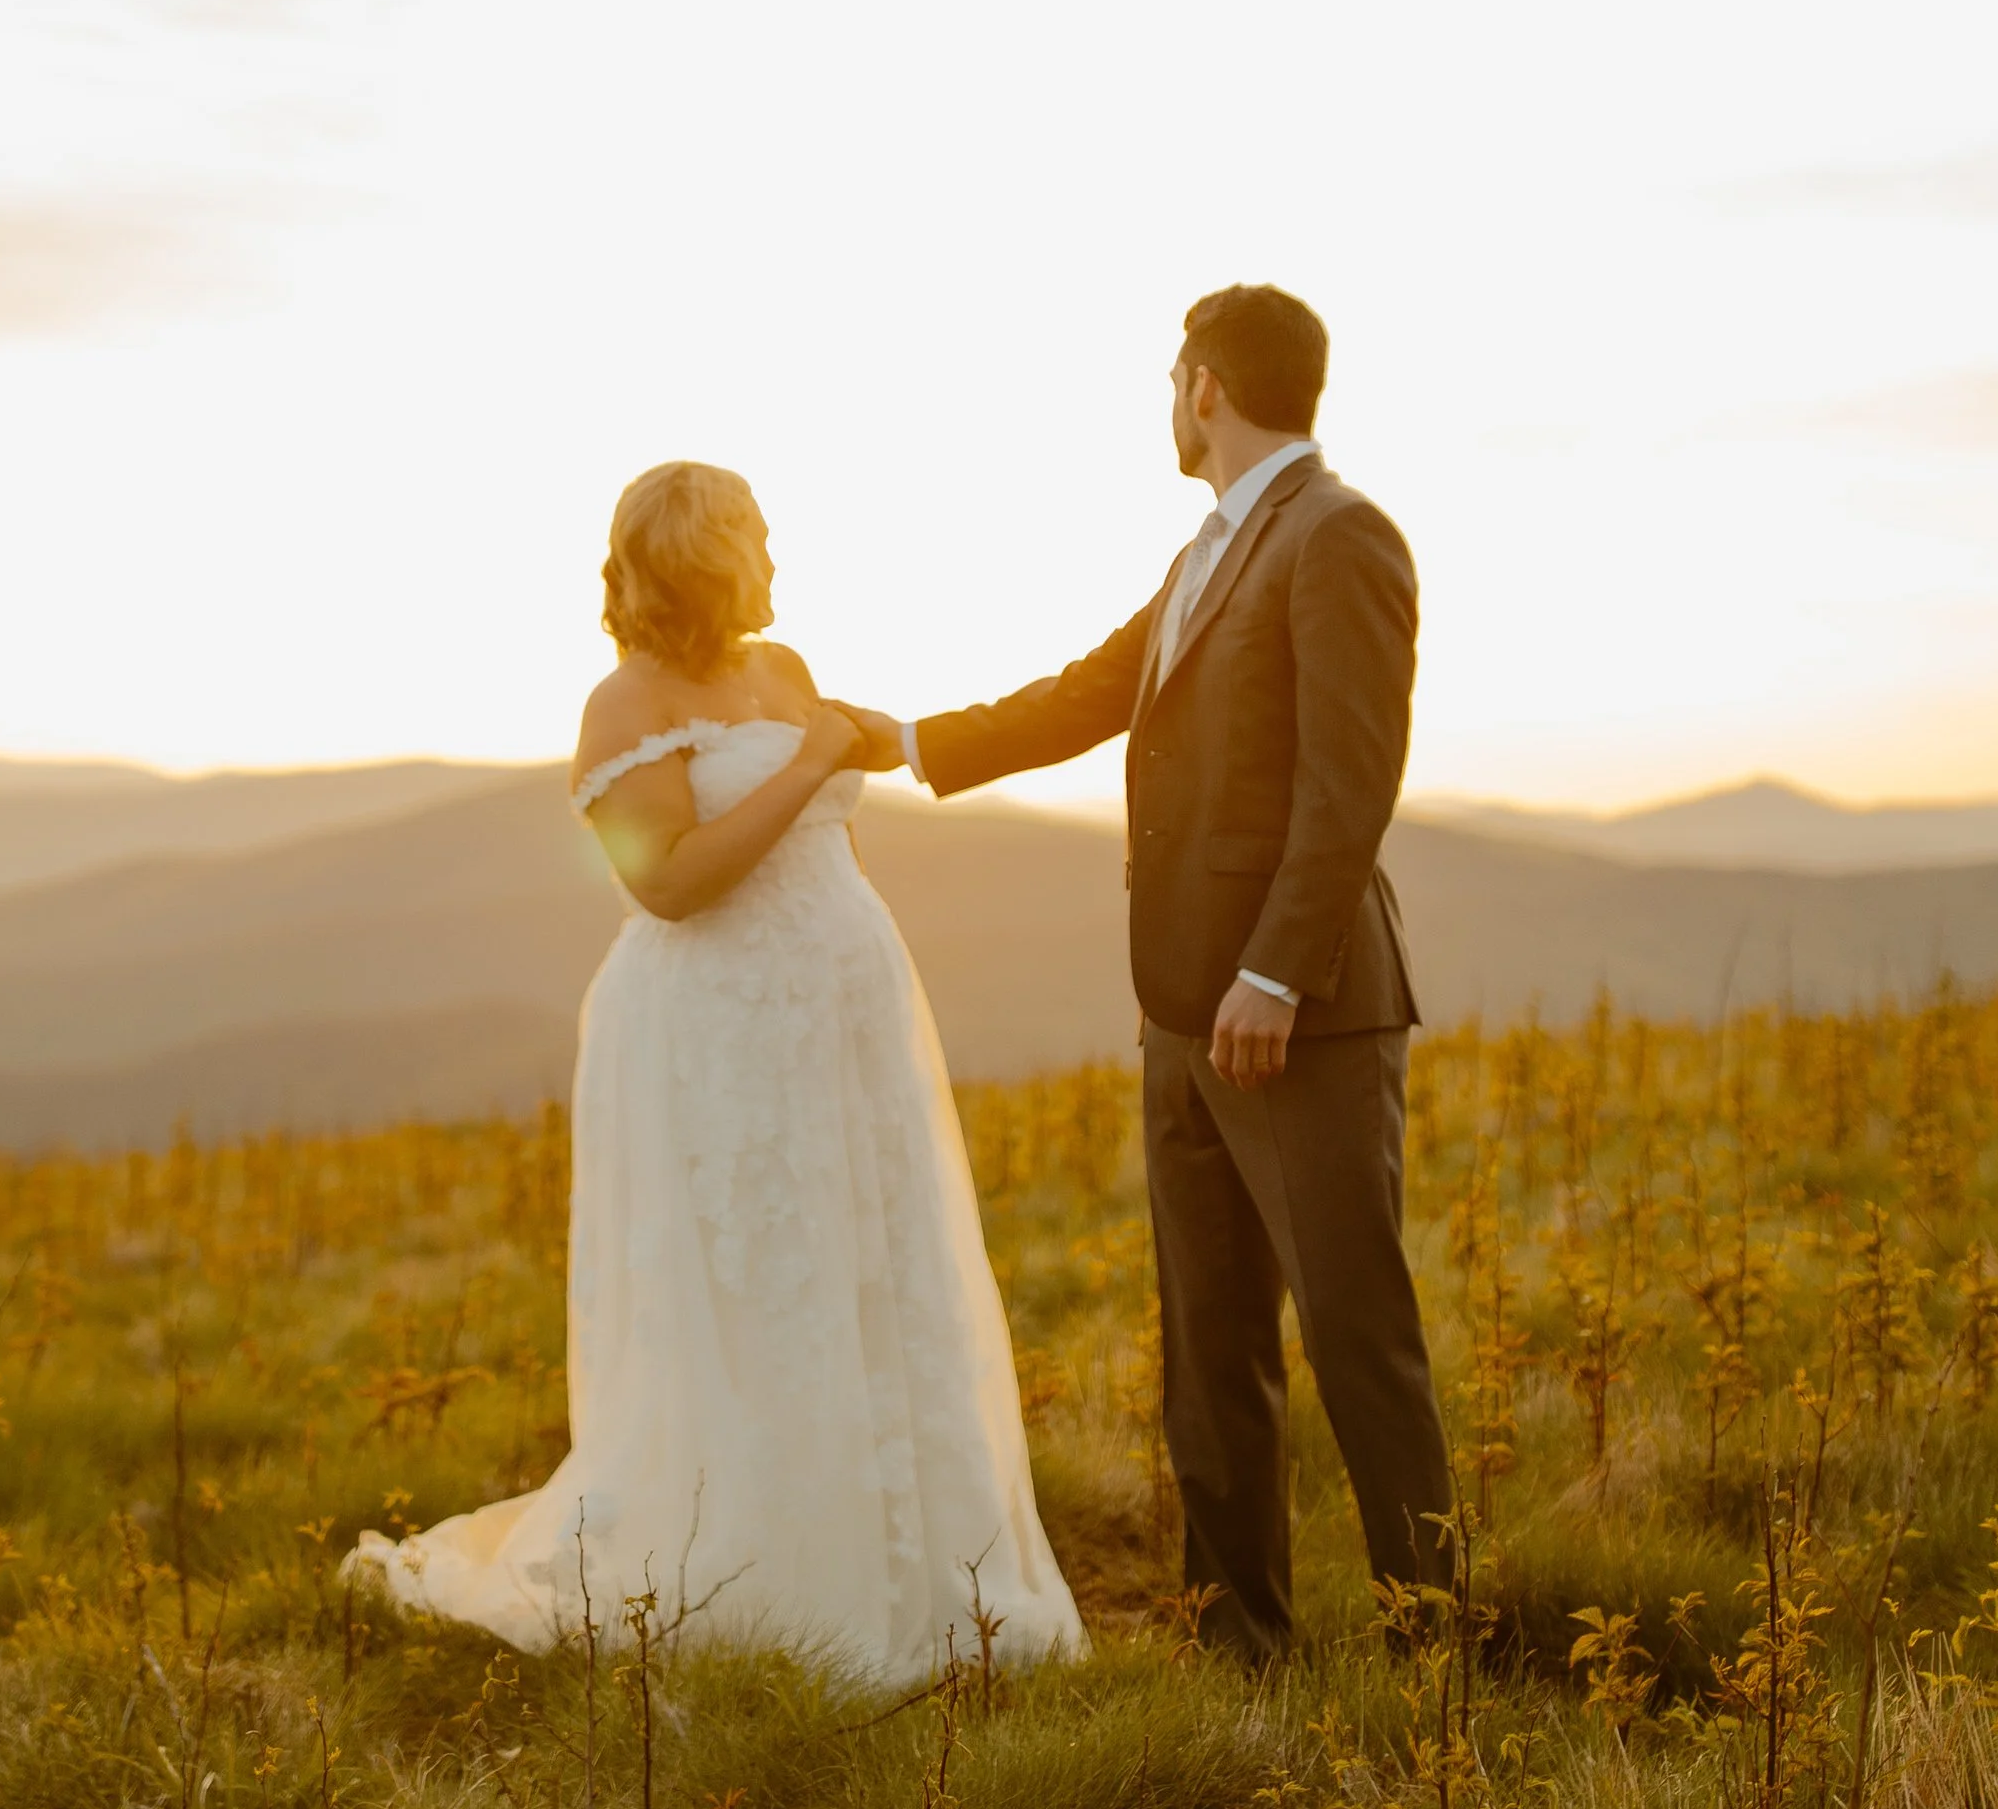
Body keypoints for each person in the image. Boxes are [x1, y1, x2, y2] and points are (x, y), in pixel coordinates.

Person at [350, 459, 1082, 1683]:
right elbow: (671, 883)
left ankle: (930, 1574)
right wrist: (803, 768)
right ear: (703, 555)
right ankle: (783, 1581)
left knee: (876, 1263)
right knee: (761, 1286)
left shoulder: (780, 671)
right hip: (720, 1035)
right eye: (754, 533)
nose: (774, 552)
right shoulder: (620, 707)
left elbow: (863, 759)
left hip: (842, 1015)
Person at [851, 285, 1453, 1660]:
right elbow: (1087, 691)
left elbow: (1350, 781)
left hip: (1302, 1016)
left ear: (1205, 386)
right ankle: (1240, 1647)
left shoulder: (1341, 536)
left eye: (1169, 376)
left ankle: (1437, 1647)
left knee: (1358, 1340)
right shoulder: (1205, 555)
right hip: (1182, 1012)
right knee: (1209, 1351)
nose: (1165, 400)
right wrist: (901, 740)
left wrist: (1281, 975)